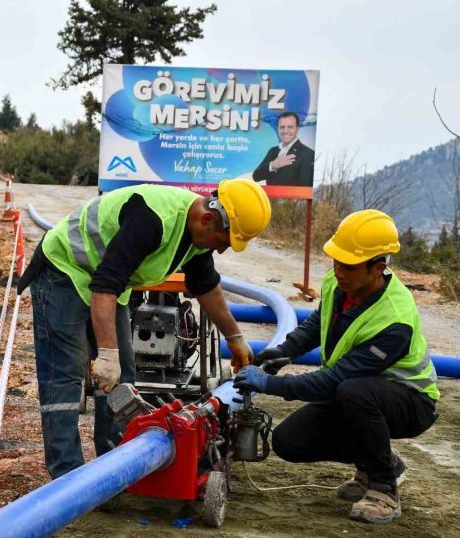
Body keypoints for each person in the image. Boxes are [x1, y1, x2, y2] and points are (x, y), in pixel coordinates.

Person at [16, 179, 272, 479]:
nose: (223, 250)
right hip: (65, 270)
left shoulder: (197, 234)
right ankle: (68, 479)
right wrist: (106, 355)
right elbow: (104, 287)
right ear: (207, 219)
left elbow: (206, 286)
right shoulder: (152, 220)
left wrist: (236, 339)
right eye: (224, 241)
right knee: (66, 375)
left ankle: (112, 466)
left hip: (107, 285)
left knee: (123, 375)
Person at [234, 209, 438, 524]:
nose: (339, 271)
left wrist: (271, 384)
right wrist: (285, 351)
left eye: (349, 266)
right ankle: (382, 461)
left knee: (353, 391)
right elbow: (319, 323)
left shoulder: (395, 319)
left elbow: (335, 380)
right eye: (336, 262)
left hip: (411, 401)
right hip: (355, 392)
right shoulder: (339, 281)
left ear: (378, 268)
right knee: (289, 441)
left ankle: (384, 488)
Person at [252, 111, 315, 187]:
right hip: (270, 198)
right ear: (278, 129)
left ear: (297, 129)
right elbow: (256, 176)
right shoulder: (273, 151)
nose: (285, 131)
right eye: (282, 127)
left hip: (291, 199)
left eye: (290, 127)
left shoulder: (308, 154)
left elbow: (305, 189)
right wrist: (273, 165)